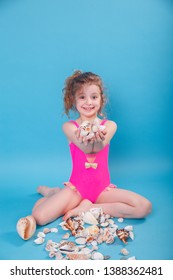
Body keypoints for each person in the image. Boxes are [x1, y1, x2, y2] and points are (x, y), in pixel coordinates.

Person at [17, 70, 152, 239]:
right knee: (39, 217)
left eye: (94, 97)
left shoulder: (109, 125)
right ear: (73, 100)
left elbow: (98, 146)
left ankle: (89, 208)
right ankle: (53, 193)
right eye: (82, 97)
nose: (89, 102)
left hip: (103, 190)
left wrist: (96, 134)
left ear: (101, 99)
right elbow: (88, 149)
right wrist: (89, 134)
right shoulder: (69, 127)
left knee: (143, 207)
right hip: (77, 189)